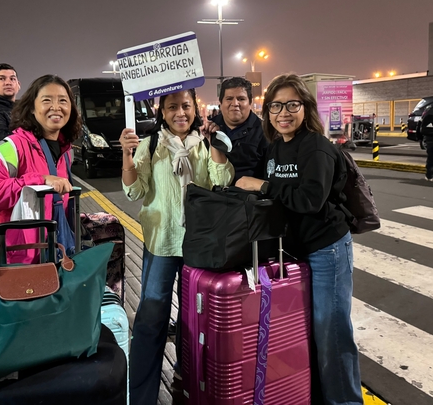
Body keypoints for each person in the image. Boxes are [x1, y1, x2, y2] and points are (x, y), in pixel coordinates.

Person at [236, 73, 363, 405]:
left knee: (331, 333)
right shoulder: (276, 148)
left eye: (292, 104)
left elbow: (310, 199)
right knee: (305, 333)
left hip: (327, 250)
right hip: (293, 254)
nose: (283, 113)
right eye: (276, 106)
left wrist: (262, 186)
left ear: (306, 108)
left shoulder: (317, 148)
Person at [119, 89, 234, 405]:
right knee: (151, 315)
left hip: (198, 244)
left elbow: (220, 180)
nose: (180, 113)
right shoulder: (151, 145)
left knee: (192, 317)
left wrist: (217, 145)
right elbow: (133, 191)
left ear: (196, 108)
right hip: (161, 242)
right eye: (172, 107)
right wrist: (128, 157)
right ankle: (141, 394)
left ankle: (186, 380)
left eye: (186, 106)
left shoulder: (204, 143)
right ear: (162, 111)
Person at [0, 74, 80, 266]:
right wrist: (40, 180)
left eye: (63, 101)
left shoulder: (66, 150)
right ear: (32, 108)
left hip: (49, 253)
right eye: (47, 100)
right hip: (10, 259)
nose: (56, 107)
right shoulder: (11, 148)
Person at [205, 76, 268, 182]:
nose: (235, 104)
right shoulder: (207, 129)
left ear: (250, 103)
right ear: (221, 103)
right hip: (212, 195)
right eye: (229, 99)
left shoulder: (265, 132)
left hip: (249, 196)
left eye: (241, 99)